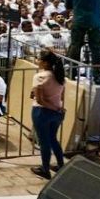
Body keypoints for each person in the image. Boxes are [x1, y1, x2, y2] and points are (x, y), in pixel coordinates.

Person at [29, 50, 66, 179]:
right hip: (57, 113)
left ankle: (45, 169)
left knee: (44, 142)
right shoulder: (60, 76)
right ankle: (61, 165)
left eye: (39, 59)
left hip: (42, 112)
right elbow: (61, 95)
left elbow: (40, 100)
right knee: (53, 139)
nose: (37, 61)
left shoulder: (40, 77)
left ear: (45, 63)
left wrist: (54, 108)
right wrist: (59, 108)